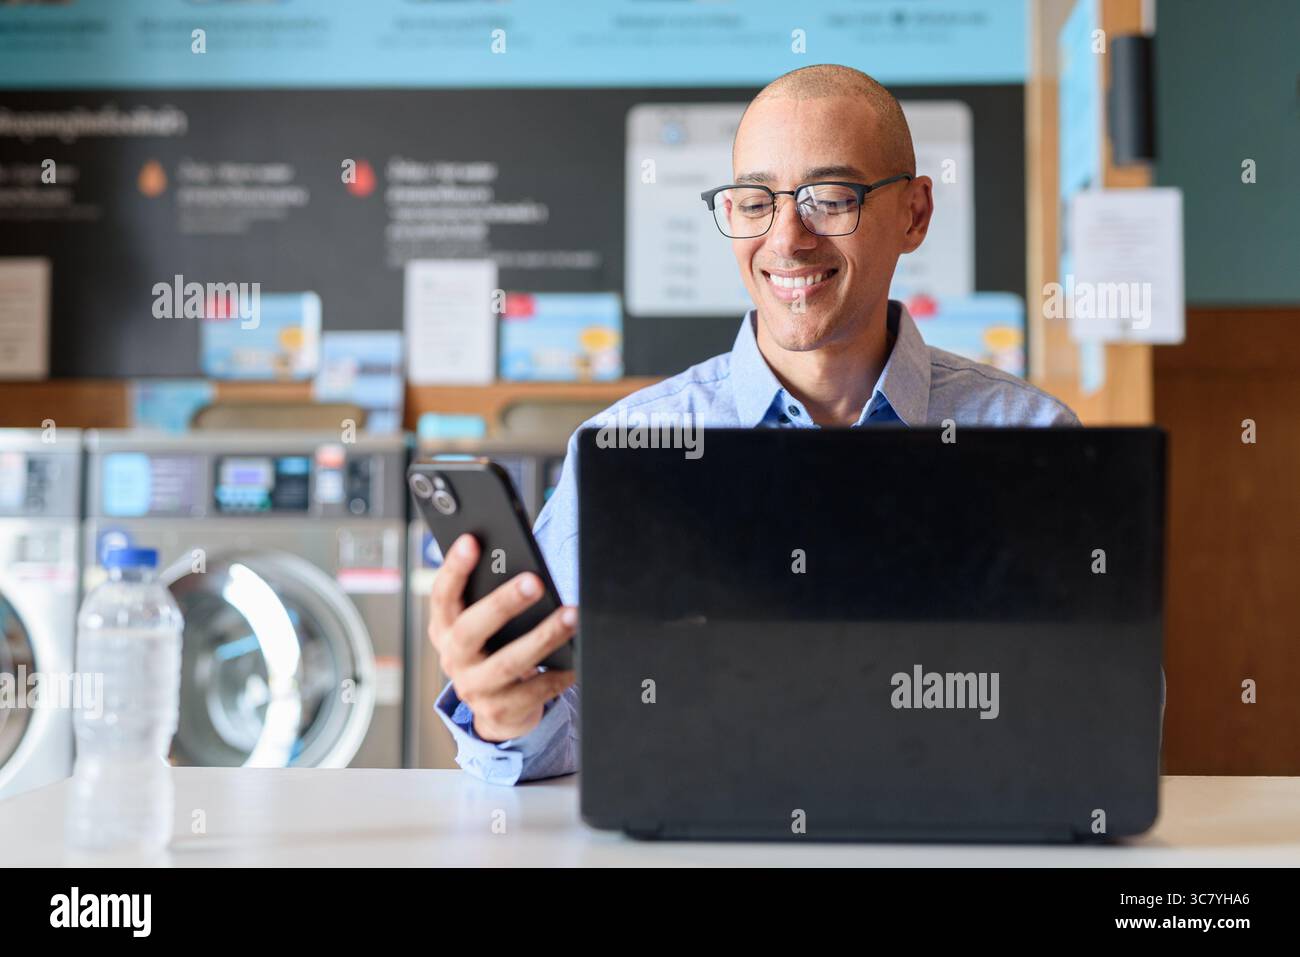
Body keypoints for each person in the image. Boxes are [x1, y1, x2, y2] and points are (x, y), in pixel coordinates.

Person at [428, 64, 1078, 785]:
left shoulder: (1032, 441)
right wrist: (506, 712)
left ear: (915, 214)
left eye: (831, 198)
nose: (788, 239)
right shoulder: (629, 450)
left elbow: (1101, 711)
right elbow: (566, 722)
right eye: (755, 202)